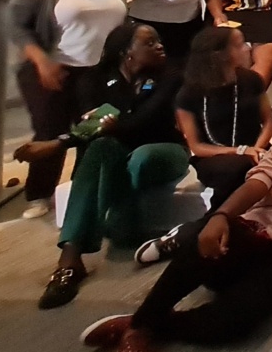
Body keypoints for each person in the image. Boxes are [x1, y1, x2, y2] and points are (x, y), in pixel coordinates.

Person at [82, 94, 272, 352]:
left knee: (233, 325)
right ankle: (140, 325)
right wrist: (220, 217)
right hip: (250, 233)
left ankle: (148, 324)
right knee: (198, 242)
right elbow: (256, 187)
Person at [19, 24, 186, 309]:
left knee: (138, 156)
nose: (160, 45)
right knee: (99, 147)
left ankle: (120, 224)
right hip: (115, 153)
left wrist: (61, 143)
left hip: (165, 151)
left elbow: (144, 120)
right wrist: (101, 129)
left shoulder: (170, 75)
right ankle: (70, 260)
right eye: (149, 43)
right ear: (126, 52)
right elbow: (92, 127)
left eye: (158, 40)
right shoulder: (93, 81)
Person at [11, 0, 127, 219]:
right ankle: (39, 193)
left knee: (91, 131)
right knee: (51, 130)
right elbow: (16, 27)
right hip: (54, 70)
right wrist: (41, 60)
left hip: (98, 71)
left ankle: (81, 188)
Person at [174, 27, 272, 211]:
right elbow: (196, 146)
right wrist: (240, 152)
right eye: (239, 45)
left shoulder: (251, 80)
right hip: (216, 156)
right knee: (237, 169)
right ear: (219, 55)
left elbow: (268, 122)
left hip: (257, 149)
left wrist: (257, 148)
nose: (247, 48)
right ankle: (220, 217)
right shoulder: (189, 94)